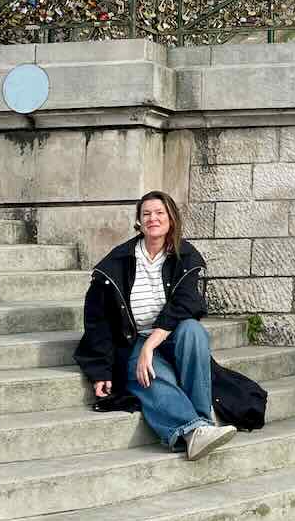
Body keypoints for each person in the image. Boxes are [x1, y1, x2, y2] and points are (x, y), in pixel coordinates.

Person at [74, 191, 242, 459]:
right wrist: (100, 370)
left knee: (193, 331)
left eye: (159, 213)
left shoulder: (184, 256)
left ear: (171, 219)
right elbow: (98, 321)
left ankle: (201, 424)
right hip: (132, 339)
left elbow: (187, 304)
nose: (153, 218)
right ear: (139, 222)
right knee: (152, 374)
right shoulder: (116, 263)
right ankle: (195, 430)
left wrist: (151, 345)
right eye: (146, 214)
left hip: (169, 336)